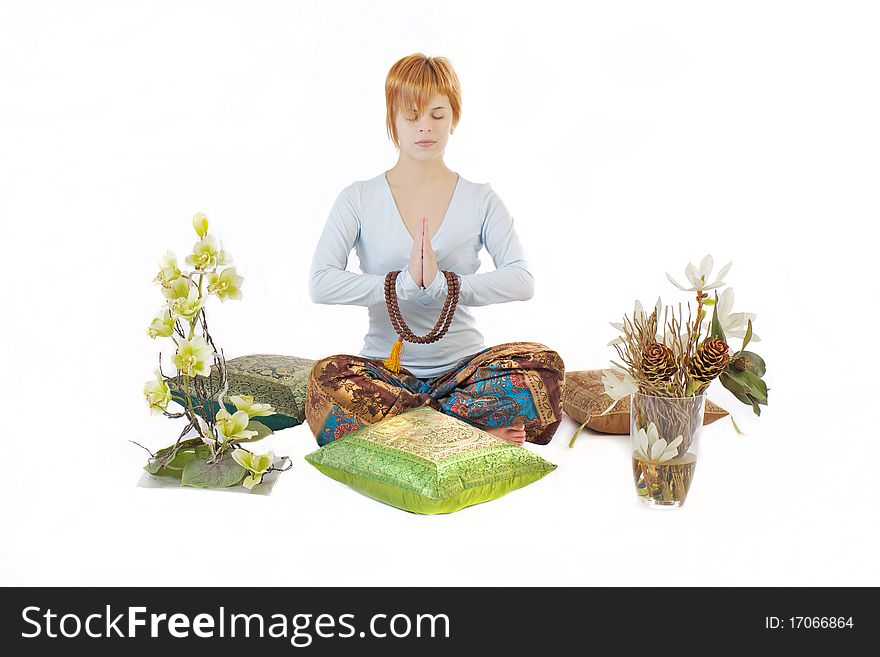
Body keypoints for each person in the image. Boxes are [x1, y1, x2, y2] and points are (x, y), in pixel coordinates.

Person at [306, 53, 564, 447]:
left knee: (545, 367)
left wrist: (446, 285)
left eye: (438, 115)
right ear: (392, 119)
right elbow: (321, 283)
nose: (425, 127)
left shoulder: (481, 199)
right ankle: (466, 431)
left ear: (454, 118)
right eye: (411, 116)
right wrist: (399, 287)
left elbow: (521, 280)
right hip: (385, 374)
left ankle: (403, 432)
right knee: (326, 379)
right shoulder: (358, 198)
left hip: (464, 373)